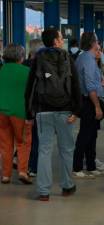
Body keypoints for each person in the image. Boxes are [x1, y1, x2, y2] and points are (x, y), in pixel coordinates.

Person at [25, 28, 82, 201]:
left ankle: (43, 191)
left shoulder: (38, 59)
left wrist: (29, 113)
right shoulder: (67, 58)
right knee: (66, 150)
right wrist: (76, 111)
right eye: (60, 36)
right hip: (65, 111)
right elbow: (76, 86)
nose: (62, 38)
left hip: (43, 111)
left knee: (44, 150)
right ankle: (67, 186)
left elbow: (30, 87)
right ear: (56, 41)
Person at [73, 32, 104, 178]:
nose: (99, 44)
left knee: (92, 134)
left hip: (88, 99)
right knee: (86, 135)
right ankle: (77, 167)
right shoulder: (87, 59)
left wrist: (101, 83)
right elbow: (89, 86)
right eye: (97, 41)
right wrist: (97, 107)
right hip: (89, 102)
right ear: (93, 43)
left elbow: (91, 81)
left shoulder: (87, 58)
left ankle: (91, 165)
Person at [0, 44, 32, 185]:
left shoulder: (1, 70)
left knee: (5, 144)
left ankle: (6, 175)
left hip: (1, 111)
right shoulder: (27, 71)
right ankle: (22, 171)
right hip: (20, 112)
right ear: (21, 57)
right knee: (23, 142)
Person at [25, 39, 44, 177]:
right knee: (37, 138)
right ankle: (34, 166)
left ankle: (23, 166)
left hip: (21, 107)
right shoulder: (41, 67)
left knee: (23, 139)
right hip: (36, 107)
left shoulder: (23, 65)